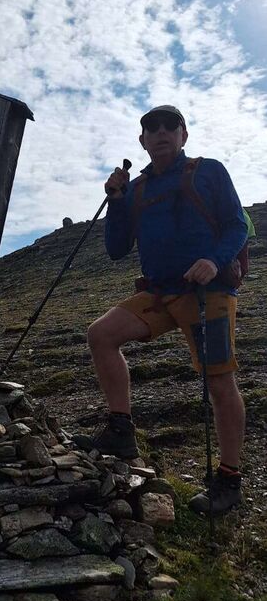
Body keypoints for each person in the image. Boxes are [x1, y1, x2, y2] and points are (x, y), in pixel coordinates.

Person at [75, 105, 248, 517]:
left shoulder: (209, 171)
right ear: (142, 141)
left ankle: (229, 479)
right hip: (159, 292)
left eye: (171, 125)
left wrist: (214, 260)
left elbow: (237, 225)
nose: (161, 132)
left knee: (218, 381)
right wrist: (116, 201)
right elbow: (116, 249)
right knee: (101, 334)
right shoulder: (136, 189)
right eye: (151, 127)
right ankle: (121, 430)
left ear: (184, 135)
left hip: (207, 290)